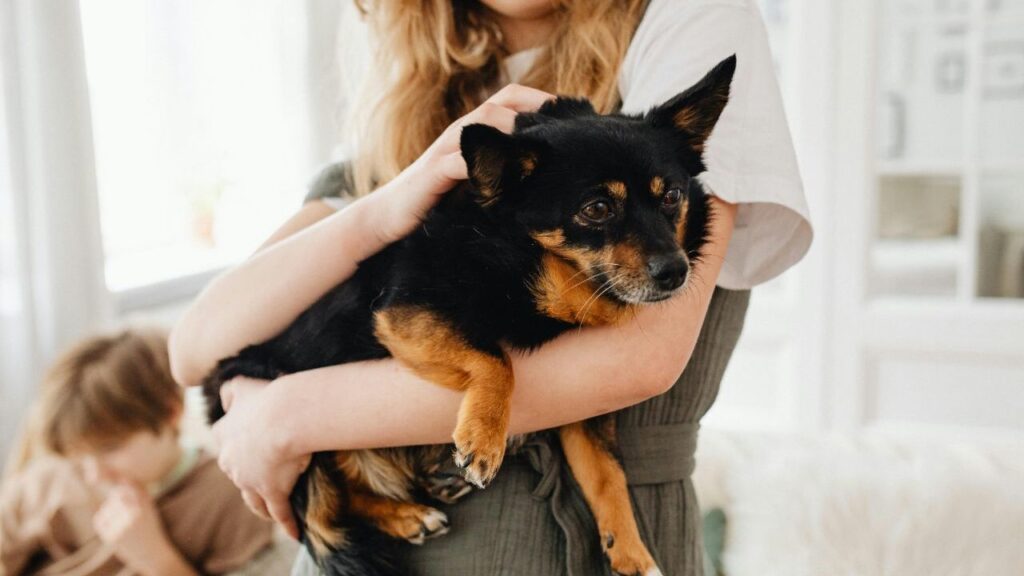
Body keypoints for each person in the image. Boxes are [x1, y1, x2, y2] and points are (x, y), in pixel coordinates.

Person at [169, 0, 813, 574]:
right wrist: (388, 206)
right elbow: (196, 346)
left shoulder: (694, 21)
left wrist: (283, 417)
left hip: (573, 546)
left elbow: (636, 358)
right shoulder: (408, 98)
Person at [0, 328, 279, 576]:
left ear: (171, 412)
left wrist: (156, 558)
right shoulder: (51, 478)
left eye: (110, 449)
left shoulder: (228, 495)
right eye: (80, 455)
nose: (94, 474)